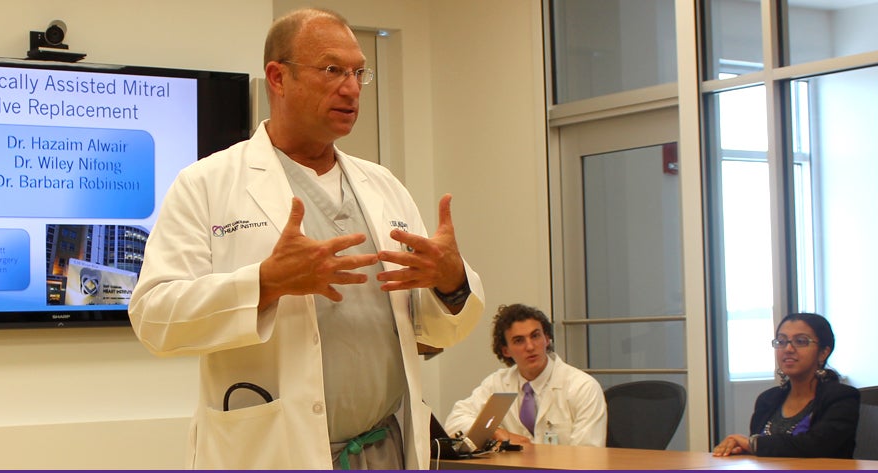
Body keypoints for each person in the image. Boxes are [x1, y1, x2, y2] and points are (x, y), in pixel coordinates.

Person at [127, 7, 484, 470]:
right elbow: (155, 319)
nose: (352, 88)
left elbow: (434, 332)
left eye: (359, 72)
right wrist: (265, 283)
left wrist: (450, 281)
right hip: (274, 452)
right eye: (333, 70)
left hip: (387, 448)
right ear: (278, 77)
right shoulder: (207, 184)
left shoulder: (384, 186)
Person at [444, 304, 606, 448]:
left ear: (547, 339)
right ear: (505, 350)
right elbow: (455, 422)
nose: (530, 346)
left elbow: (588, 456)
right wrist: (496, 432)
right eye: (518, 340)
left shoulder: (583, 386)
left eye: (535, 336)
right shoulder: (497, 383)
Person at [712, 312, 859, 458]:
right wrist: (740, 447)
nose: (788, 349)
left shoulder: (842, 397)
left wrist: (753, 444)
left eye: (801, 341)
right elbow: (759, 450)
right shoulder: (767, 399)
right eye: (781, 342)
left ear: (823, 353)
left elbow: (817, 446)